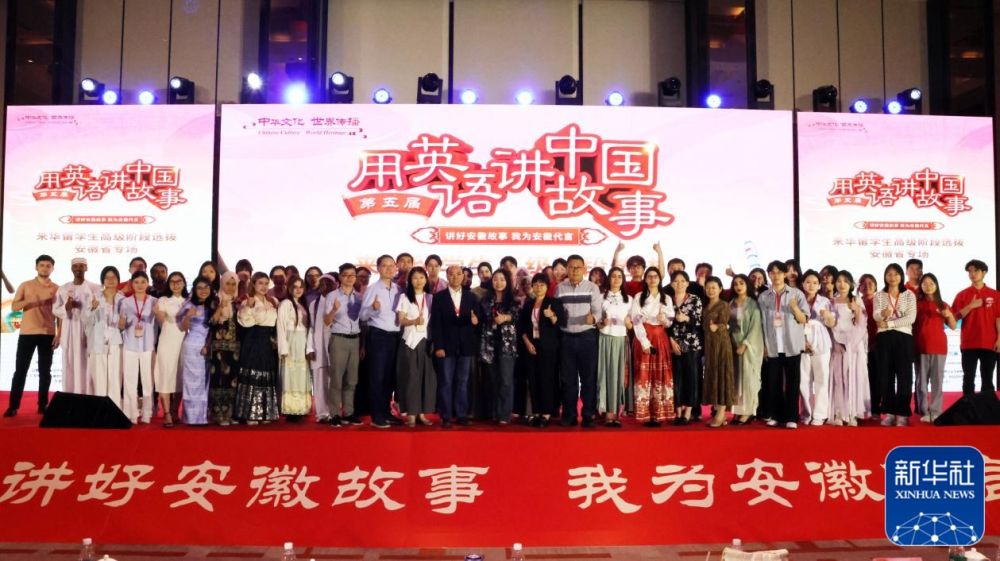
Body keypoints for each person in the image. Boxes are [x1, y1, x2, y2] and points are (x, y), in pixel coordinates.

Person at [5, 255, 59, 417]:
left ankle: (43, 404)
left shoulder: (56, 288)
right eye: (42, 265)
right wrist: (29, 301)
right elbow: (14, 307)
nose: (45, 268)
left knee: (45, 371)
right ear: (36, 267)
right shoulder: (25, 285)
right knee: (20, 371)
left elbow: (60, 314)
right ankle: (13, 406)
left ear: (52, 269)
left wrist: (59, 334)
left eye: (48, 266)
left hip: (48, 333)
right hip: (27, 333)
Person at [757, 260, 809, 429]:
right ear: (768, 275)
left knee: (793, 382)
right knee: (774, 382)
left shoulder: (797, 294)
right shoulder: (764, 296)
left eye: (779, 272)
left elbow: (804, 319)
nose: (776, 276)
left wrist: (795, 308)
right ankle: (776, 415)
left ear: (785, 274)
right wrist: (764, 346)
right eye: (772, 272)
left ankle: (792, 417)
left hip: (791, 344)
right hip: (772, 345)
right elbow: (761, 323)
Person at [556, 255, 603, 427]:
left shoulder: (592, 288)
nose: (574, 270)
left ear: (584, 269)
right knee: (568, 379)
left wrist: (594, 318)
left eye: (578, 267)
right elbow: (556, 312)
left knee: (588, 377)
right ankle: (569, 414)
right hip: (566, 338)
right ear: (567, 269)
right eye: (571, 267)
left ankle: (588, 414)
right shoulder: (560, 288)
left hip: (587, 337)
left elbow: (598, 312)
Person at [430, 265, 479, 428]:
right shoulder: (439, 297)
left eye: (459, 274)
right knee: (445, 381)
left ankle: (461, 414)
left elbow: (478, 320)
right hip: (446, 345)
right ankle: (445, 415)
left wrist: (476, 321)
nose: (455, 277)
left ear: (463, 277)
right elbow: (436, 324)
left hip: (466, 346)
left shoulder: (471, 297)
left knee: (463, 382)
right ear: (447, 276)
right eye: (451, 274)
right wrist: (438, 346)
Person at [360, 254, 403, 428]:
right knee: (377, 377)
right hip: (379, 335)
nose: (389, 268)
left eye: (392, 265)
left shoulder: (399, 289)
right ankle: (376, 416)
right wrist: (372, 308)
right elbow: (362, 316)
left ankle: (386, 412)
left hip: (395, 336)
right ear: (378, 268)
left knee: (390, 378)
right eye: (384, 265)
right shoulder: (372, 289)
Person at [518, 273, 564, 427]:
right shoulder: (528, 304)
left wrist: (552, 316)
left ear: (547, 287)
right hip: (531, 345)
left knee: (547, 379)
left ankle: (546, 413)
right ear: (532, 286)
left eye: (542, 285)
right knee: (533, 379)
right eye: (536, 284)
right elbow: (522, 326)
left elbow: (561, 322)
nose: (538, 287)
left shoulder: (554, 302)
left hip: (548, 347)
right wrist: (527, 343)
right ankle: (536, 412)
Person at [234, 272, 280, 425]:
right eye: (260, 283)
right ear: (253, 284)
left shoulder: (272, 301)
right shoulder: (248, 300)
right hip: (252, 340)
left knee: (265, 373)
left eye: (266, 283)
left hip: (267, 341)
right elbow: (245, 322)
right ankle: (249, 413)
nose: (264, 286)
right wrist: (249, 306)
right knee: (253, 372)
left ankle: (264, 412)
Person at [874, 263, 917, 426]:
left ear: (901, 276)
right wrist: (882, 314)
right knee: (886, 375)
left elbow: (911, 318)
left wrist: (890, 323)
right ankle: (889, 412)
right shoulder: (879, 295)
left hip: (903, 337)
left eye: (896, 274)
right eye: (889, 274)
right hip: (884, 338)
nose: (892, 277)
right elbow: (876, 315)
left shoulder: (909, 295)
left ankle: (902, 413)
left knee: (904, 375)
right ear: (885, 276)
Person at [395, 267, 437, 427]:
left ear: (426, 280)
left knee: (426, 378)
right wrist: (414, 321)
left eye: (421, 277)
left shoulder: (431, 298)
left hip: (426, 342)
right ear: (410, 281)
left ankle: (422, 414)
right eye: (415, 278)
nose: (418, 281)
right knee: (410, 377)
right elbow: (401, 320)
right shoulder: (404, 297)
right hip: (410, 342)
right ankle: (411, 414)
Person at [951, 259, 1000, 396]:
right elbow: (955, 317)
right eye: (970, 271)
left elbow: (998, 318)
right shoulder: (962, 295)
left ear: (984, 272)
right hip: (969, 342)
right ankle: (968, 406)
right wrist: (971, 306)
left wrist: (999, 339)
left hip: (989, 342)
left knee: (987, 378)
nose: (972, 274)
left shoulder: (995, 294)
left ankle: (987, 406)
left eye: (976, 271)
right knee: (968, 378)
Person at [53, 257, 100, 395]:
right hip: (68, 329)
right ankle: (70, 395)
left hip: (86, 329)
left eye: (81, 266)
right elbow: (56, 310)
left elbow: (100, 311)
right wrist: (66, 307)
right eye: (75, 266)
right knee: (69, 361)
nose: (78, 269)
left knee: (86, 363)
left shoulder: (95, 288)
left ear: (86, 268)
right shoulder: (63, 289)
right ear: (71, 268)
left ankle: (88, 395)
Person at [829, 271, 869, 426]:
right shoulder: (831, 302)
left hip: (854, 346)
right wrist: (836, 342)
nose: (842, 284)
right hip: (837, 344)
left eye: (845, 281)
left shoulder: (856, 300)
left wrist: (857, 310)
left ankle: (852, 413)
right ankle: (839, 412)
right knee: (838, 379)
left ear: (851, 284)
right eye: (838, 281)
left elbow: (862, 324)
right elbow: (830, 324)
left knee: (853, 378)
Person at [479, 269, 520, 424]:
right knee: (492, 380)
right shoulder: (485, 300)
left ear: (507, 282)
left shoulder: (513, 300)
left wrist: (506, 317)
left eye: (502, 279)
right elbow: (483, 317)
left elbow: (517, 316)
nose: (499, 282)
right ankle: (494, 412)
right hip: (488, 344)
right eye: (495, 279)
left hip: (507, 344)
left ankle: (504, 414)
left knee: (506, 380)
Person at [914, 273, 956, 423]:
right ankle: (924, 411)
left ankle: (936, 411)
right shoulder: (916, 304)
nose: (928, 286)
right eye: (924, 284)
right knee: (921, 382)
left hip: (939, 346)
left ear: (936, 285)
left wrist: (949, 315)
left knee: (937, 381)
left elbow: (953, 326)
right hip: (920, 346)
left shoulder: (942, 304)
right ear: (921, 287)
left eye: (931, 283)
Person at [325, 264, 363, 426]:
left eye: (352, 275)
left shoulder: (359, 297)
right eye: (346, 275)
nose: (349, 278)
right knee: (336, 378)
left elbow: (364, 319)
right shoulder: (332, 296)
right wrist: (334, 310)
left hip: (355, 339)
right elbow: (326, 321)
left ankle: (348, 412)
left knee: (352, 379)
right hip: (338, 339)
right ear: (340, 277)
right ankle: (334, 414)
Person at [118, 270, 157, 424]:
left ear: (148, 283)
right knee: (130, 380)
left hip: (148, 345)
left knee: (148, 381)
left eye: (143, 282)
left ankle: (147, 413)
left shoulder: (154, 301)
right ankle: (131, 413)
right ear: (132, 284)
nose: (140, 285)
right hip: (130, 344)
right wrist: (122, 323)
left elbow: (160, 322)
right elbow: (122, 325)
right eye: (136, 282)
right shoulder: (125, 302)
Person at [84, 266, 124, 411]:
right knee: (99, 378)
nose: (110, 280)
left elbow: (126, 323)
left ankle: (115, 411)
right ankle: (100, 412)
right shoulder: (94, 297)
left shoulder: (123, 299)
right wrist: (92, 309)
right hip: (97, 342)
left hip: (115, 342)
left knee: (115, 378)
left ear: (118, 280)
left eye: (114, 277)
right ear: (103, 280)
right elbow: (85, 319)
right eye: (107, 277)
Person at [799, 270, 835, 426]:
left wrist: (827, 316)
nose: (811, 285)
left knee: (822, 378)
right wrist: (801, 340)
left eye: (815, 283)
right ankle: (806, 413)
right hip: (801, 340)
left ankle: (819, 414)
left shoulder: (825, 301)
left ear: (819, 285)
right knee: (803, 379)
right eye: (808, 282)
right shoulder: (797, 300)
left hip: (821, 340)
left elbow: (832, 323)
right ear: (802, 284)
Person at [597, 267, 632, 427]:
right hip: (604, 338)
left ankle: (615, 413)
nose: (616, 279)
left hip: (620, 340)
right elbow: (596, 322)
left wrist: (630, 323)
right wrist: (601, 323)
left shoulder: (629, 299)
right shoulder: (600, 297)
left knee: (618, 376)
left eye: (619, 276)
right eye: (613, 276)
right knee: (603, 375)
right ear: (608, 279)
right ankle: (605, 412)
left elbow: (635, 322)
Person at [154, 271, 188, 427]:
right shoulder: (163, 300)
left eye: (178, 281)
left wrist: (175, 317)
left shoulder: (189, 300)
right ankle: (167, 413)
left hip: (184, 341)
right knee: (165, 375)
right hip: (167, 342)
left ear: (184, 283)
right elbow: (162, 320)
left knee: (180, 376)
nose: (175, 284)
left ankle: (175, 411)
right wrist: (161, 315)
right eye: (172, 281)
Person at [178, 277, 214, 425]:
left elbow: (214, 328)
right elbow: (183, 327)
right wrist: (188, 315)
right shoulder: (189, 305)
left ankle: (202, 417)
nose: (203, 291)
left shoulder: (213, 305)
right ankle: (191, 417)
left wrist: (208, 345)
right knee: (191, 381)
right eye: (200, 288)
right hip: (191, 345)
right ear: (194, 290)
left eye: (206, 287)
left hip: (207, 346)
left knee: (204, 380)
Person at [667, 270, 701, 424]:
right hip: (673, 344)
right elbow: (665, 324)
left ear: (688, 283)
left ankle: (688, 412)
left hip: (690, 344)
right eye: (676, 281)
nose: (679, 283)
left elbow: (698, 321)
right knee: (676, 378)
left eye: (682, 281)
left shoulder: (694, 299)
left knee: (691, 378)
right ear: (671, 284)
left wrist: (686, 318)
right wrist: (671, 341)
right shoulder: (667, 300)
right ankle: (678, 411)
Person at [729, 274, 763, 425]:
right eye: (735, 284)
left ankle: (748, 412)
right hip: (734, 345)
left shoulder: (753, 304)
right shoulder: (731, 303)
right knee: (736, 379)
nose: (738, 286)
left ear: (747, 285)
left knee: (748, 378)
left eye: (741, 283)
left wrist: (745, 344)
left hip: (749, 346)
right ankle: (738, 411)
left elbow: (755, 327)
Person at [277, 277, 313, 419]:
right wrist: (283, 348)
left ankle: (301, 408)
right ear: (289, 288)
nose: (298, 290)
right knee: (290, 375)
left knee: (301, 375)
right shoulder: (286, 303)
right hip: (291, 342)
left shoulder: (302, 304)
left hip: (302, 342)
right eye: (295, 287)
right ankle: (290, 409)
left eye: (301, 287)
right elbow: (281, 327)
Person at [208, 272, 240, 426]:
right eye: (228, 283)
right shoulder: (215, 299)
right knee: (219, 379)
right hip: (218, 348)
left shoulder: (238, 302)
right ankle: (217, 414)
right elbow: (211, 322)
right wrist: (221, 307)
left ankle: (230, 413)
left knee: (232, 380)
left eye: (234, 284)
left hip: (235, 348)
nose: (231, 287)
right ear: (222, 284)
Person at [702, 276, 734, 427]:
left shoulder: (724, 305)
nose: (711, 290)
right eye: (708, 287)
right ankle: (718, 413)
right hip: (709, 347)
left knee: (722, 377)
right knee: (713, 376)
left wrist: (718, 327)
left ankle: (721, 414)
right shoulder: (706, 306)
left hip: (721, 346)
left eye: (714, 287)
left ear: (720, 289)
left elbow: (726, 324)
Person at [306, 274, 336, 423]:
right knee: (319, 382)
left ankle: (334, 412)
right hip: (318, 348)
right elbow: (311, 328)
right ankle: (322, 413)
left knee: (333, 382)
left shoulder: (337, 302)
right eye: (323, 284)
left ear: (335, 286)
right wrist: (310, 348)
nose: (325, 287)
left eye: (329, 284)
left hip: (335, 347)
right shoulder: (314, 304)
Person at [858, 273, 879, 418]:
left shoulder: (880, 301)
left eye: (870, 283)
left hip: (877, 345)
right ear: (859, 287)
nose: (867, 286)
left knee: (875, 378)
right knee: (861, 378)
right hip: (859, 346)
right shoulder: (856, 302)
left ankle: (876, 408)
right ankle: (861, 409)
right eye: (863, 284)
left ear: (876, 285)